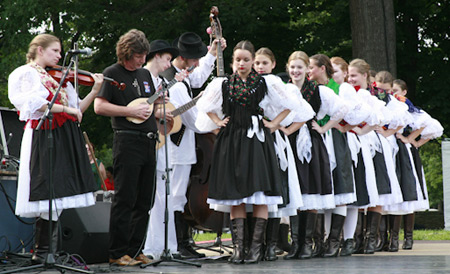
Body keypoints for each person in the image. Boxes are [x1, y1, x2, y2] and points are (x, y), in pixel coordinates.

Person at [196, 41, 311, 264]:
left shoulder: (265, 83)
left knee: (260, 194)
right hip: (231, 141)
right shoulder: (223, 83)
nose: (242, 63)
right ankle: (239, 249)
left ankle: (255, 249)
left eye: (246, 60)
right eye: (238, 59)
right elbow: (205, 106)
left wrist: (274, 123)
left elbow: (290, 105)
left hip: (256, 140)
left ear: (252, 61)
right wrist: (218, 121)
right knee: (235, 195)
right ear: (232, 62)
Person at [8, 33, 104, 262]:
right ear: (40, 50)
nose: (60, 56)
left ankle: (50, 251)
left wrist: (94, 91)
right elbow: (34, 104)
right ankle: (41, 253)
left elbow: (77, 109)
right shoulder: (26, 73)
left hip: (64, 134)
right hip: (44, 134)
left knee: (60, 191)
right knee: (46, 188)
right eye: (55, 51)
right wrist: (68, 111)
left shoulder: (61, 79)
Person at [154, 32, 226, 259]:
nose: (197, 64)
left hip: (179, 148)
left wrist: (212, 54)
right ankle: (178, 245)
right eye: (195, 59)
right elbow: (194, 121)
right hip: (176, 148)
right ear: (184, 58)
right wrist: (216, 120)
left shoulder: (179, 75)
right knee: (176, 196)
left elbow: (197, 78)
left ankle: (181, 242)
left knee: (178, 196)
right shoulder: (175, 85)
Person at [94, 29, 161, 266]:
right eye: (138, 55)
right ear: (126, 52)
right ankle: (117, 252)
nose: (142, 60)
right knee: (125, 197)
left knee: (145, 199)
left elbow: (150, 104)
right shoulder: (112, 73)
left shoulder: (144, 74)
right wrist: (128, 111)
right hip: (127, 140)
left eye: (144, 55)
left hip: (149, 140)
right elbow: (99, 107)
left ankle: (135, 250)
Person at [253, 47, 310, 261]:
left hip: (273, 139)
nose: (260, 67)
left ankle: (271, 246)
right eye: (257, 63)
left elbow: (303, 112)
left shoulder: (280, 86)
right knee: (259, 191)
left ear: (274, 64)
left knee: (276, 191)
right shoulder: (249, 83)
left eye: (264, 63)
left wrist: (281, 127)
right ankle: (257, 244)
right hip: (253, 140)